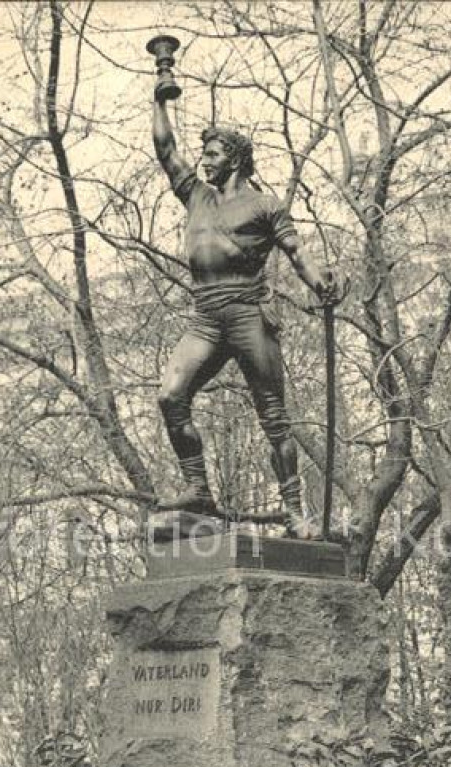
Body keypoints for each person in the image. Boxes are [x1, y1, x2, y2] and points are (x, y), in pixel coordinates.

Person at [152, 87, 341, 538]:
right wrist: (159, 99)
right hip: (205, 316)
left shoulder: (265, 206)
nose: (204, 162)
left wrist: (320, 284)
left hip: (247, 313)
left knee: (273, 414)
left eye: (213, 154)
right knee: (170, 397)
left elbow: (296, 254)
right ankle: (199, 489)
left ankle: (295, 513)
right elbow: (165, 149)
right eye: (204, 154)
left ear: (234, 159)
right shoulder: (196, 196)